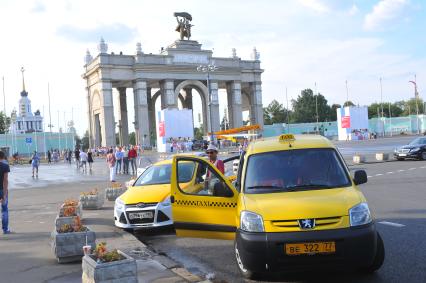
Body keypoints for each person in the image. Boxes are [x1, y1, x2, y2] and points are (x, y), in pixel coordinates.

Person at [0, 151, 10, 234]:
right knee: (4, 209)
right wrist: (4, 194)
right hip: (2, 190)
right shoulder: (5, 166)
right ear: (3, 157)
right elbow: (5, 181)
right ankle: (5, 229)